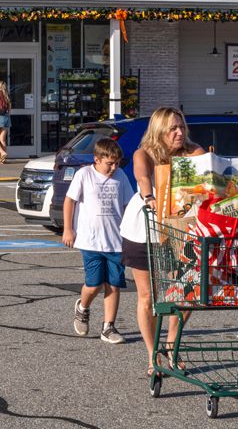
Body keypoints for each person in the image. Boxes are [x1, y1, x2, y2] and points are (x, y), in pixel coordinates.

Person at [122, 107, 204, 376]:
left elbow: (208, 173)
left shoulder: (193, 153)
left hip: (181, 230)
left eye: (181, 127)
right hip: (145, 230)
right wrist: (149, 197)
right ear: (159, 131)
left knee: (186, 293)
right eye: (173, 129)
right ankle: (152, 353)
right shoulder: (143, 153)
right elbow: (143, 176)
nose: (180, 132)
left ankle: (171, 345)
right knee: (148, 297)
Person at [62, 136, 131, 344]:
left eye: (116, 163)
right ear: (97, 159)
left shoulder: (121, 177)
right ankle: (82, 307)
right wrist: (68, 229)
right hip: (90, 240)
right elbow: (69, 201)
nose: (113, 167)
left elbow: (127, 206)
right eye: (109, 163)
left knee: (114, 284)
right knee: (94, 284)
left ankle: (108, 327)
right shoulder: (85, 175)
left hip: (116, 241)